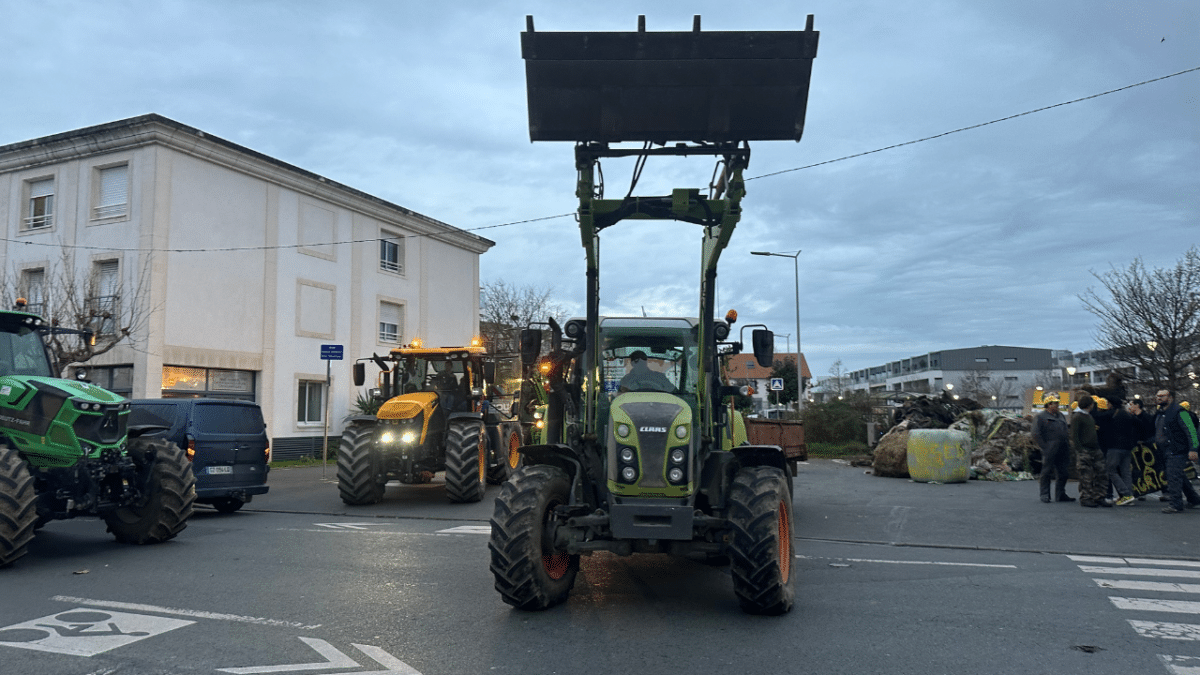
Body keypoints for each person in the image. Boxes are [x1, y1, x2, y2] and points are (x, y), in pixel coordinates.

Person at [1153, 389, 1200, 514]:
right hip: (1166, 450)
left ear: (1171, 397)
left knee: (1173, 476)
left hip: (1177, 450)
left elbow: (1192, 432)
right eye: (1158, 396)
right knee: (1178, 475)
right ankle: (1194, 499)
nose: (1159, 398)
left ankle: (1176, 504)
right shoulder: (1160, 412)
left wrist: (1193, 449)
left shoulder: (1180, 412)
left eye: (1162, 396)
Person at [1095, 396, 1138, 506]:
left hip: (1114, 446)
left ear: (1110, 404)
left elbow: (1097, 416)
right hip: (1127, 447)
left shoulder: (1111, 414)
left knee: (1111, 470)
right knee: (1126, 472)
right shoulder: (1127, 414)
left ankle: (1126, 494)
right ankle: (1129, 497)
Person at [1071, 394, 1110, 507]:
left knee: (1101, 473)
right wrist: (1080, 449)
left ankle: (1099, 496)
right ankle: (1086, 498)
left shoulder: (1089, 416)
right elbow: (1074, 435)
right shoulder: (1078, 417)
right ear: (1090, 405)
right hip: (1085, 450)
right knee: (1086, 475)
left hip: (1095, 449)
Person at [1032, 395, 1072, 503]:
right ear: (1049, 405)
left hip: (1063, 448)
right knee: (1046, 471)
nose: (1058, 406)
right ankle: (1045, 494)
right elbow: (1036, 433)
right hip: (1050, 448)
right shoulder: (1040, 417)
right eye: (1056, 404)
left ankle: (1060, 494)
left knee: (1063, 472)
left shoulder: (1061, 416)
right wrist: (1045, 446)